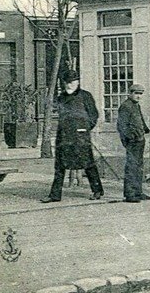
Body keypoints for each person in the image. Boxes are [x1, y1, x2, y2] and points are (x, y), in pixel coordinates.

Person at [41, 70, 104, 203]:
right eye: (66, 83)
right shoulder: (62, 97)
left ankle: (97, 191)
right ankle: (55, 195)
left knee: (88, 164)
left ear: (77, 82)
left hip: (80, 137)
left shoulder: (85, 96)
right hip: (64, 137)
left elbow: (94, 115)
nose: (69, 85)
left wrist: (84, 129)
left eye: (71, 82)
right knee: (60, 166)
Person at [117, 83, 150, 203]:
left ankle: (138, 191)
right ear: (130, 93)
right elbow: (122, 126)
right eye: (136, 93)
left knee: (138, 167)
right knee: (132, 167)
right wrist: (130, 138)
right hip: (133, 141)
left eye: (140, 94)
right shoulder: (126, 106)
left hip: (140, 139)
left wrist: (145, 129)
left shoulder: (136, 106)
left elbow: (140, 119)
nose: (138, 96)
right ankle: (130, 194)